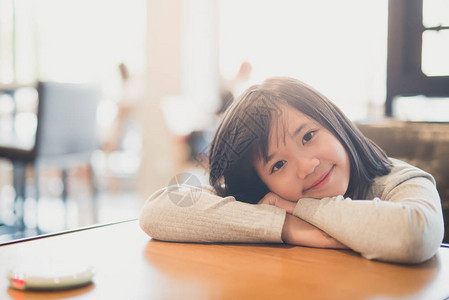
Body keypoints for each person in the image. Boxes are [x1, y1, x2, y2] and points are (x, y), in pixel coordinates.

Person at [139, 77, 444, 264]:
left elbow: (414, 236)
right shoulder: (270, 198)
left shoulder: (397, 179)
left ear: (334, 123)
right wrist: (287, 225)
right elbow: (158, 211)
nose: (307, 166)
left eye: (308, 136)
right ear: (262, 181)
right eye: (278, 164)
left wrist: (301, 206)